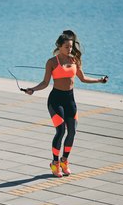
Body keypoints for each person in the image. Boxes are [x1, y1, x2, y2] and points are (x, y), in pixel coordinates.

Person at [25, 30, 108, 177]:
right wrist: (33, 89)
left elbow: (82, 78)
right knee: (61, 131)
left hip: (70, 100)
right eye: (66, 47)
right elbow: (45, 82)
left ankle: (65, 161)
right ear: (59, 46)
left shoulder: (74, 60)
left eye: (70, 47)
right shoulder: (52, 62)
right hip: (56, 100)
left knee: (72, 131)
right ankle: (55, 163)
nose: (69, 49)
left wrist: (99, 80)